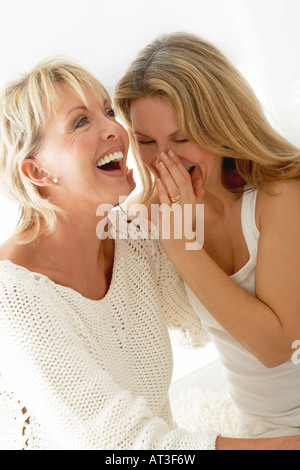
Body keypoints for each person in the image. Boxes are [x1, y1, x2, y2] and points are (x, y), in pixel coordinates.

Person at [0, 58, 299, 451]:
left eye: (108, 111)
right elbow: (122, 445)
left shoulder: (133, 237)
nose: (113, 129)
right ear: (37, 172)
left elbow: (214, 315)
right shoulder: (13, 298)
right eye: (80, 122)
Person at [114, 32, 300, 439]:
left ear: (221, 125)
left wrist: (182, 246)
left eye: (182, 139)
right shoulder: (147, 213)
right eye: (146, 141)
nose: (165, 158)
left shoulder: (280, 195)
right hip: (264, 430)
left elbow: (276, 349)